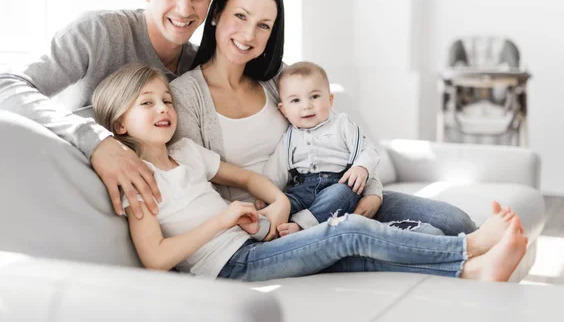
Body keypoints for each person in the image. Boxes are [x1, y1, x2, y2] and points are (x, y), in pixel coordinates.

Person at [92, 63, 528, 282]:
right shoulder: (137, 179)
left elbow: (244, 177)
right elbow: (154, 259)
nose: (164, 109)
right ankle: (466, 247)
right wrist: (224, 219)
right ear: (119, 125)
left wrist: (277, 201)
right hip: (229, 266)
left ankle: (470, 271)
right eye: (146, 104)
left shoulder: (186, 151)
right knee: (346, 231)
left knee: (357, 257)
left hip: (254, 238)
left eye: (165, 100)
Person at [169, 0, 478, 237]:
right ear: (216, 14)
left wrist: (373, 193)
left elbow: (342, 139)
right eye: (240, 16)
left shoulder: (280, 79)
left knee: (456, 222)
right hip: (275, 219)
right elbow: (197, 183)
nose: (249, 34)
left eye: (264, 25)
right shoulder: (186, 94)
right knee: (431, 235)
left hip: (338, 195)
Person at [0, 0, 214, 220]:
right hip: (74, 200)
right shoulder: (99, 32)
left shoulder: (201, 67)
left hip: (156, 219)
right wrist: (98, 142)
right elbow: (7, 85)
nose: (185, 9)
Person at [262, 61, 441, 237]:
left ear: (330, 99)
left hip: (337, 185)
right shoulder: (289, 138)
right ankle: (264, 226)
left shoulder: (342, 125)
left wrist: (361, 168)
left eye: (315, 96)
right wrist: (265, 197)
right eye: (295, 100)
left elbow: (368, 151)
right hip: (302, 190)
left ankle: (301, 226)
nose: (306, 105)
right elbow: (275, 171)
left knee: (343, 192)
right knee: (285, 202)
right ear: (283, 110)